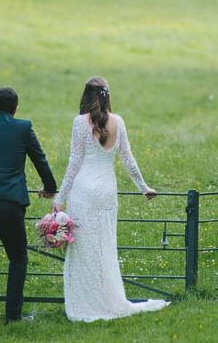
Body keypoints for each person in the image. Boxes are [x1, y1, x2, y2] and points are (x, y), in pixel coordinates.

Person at [52, 76, 170, 322]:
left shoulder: (79, 123)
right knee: (105, 247)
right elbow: (128, 159)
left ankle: (86, 302)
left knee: (83, 249)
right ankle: (107, 300)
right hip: (106, 192)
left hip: (83, 192)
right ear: (107, 95)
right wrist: (144, 187)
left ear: (85, 96)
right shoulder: (119, 122)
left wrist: (59, 197)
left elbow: (74, 164)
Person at [0, 87, 57, 326]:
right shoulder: (23, 128)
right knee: (17, 258)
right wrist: (50, 185)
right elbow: (39, 158)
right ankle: (13, 315)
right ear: (15, 108)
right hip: (10, 203)